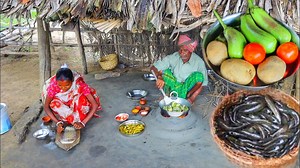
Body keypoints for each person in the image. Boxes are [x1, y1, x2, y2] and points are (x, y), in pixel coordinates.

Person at [42, 64, 102, 133]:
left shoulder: (79, 83)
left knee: (82, 101)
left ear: (72, 80)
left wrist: (83, 123)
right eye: (60, 85)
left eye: (67, 85)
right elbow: (46, 106)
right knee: (54, 104)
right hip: (61, 100)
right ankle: (69, 117)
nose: (63, 88)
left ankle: (75, 118)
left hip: (74, 97)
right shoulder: (53, 86)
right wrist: (58, 122)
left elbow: (94, 105)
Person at [150, 34, 208, 104]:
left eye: (185, 50)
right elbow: (153, 68)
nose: (181, 53)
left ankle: (185, 96)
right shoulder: (174, 57)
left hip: (187, 89)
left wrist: (192, 98)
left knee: (199, 76)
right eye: (180, 49)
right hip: (173, 86)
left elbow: (203, 83)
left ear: (191, 51)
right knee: (163, 71)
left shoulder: (199, 62)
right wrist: (159, 77)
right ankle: (168, 95)